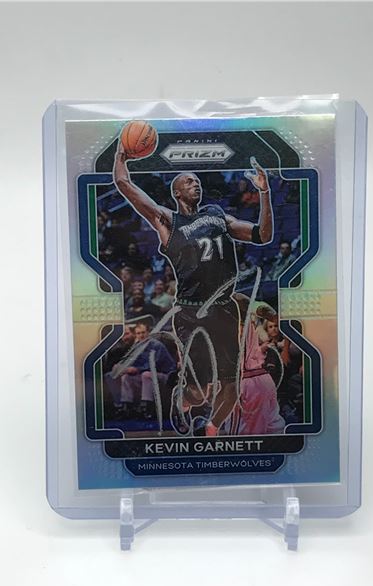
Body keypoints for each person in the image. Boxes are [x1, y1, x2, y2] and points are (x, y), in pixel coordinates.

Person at [113, 136, 274, 437]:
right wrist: (121, 155)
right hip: (191, 313)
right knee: (200, 392)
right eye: (188, 181)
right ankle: (183, 397)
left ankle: (210, 430)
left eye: (198, 181)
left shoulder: (217, 215)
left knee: (230, 384)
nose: (195, 184)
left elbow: (263, 236)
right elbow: (125, 185)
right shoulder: (167, 220)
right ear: (176, 191)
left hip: (224, 310)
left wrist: (264, 192)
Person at [225, 295, 285, 435]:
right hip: (262, 379)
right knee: (273, 427)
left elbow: (250, 305)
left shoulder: (228, 307)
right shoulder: (243, 306)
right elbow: (262, 309)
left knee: (241, 436)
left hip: (247, 381)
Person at [118, 323, 177, 419]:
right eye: (138, 333)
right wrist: (124, 368)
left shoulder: (156, 345)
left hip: (166, 375)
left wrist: (136, 369)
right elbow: (133, 362)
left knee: (146, 374)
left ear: (148, 333)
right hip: (147, 375)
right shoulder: (136, 347)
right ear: (135, 335)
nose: (141, 335)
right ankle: (126, 407)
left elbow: (154, 365)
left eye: (143, 332)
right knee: (126, 377)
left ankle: (147, 407)